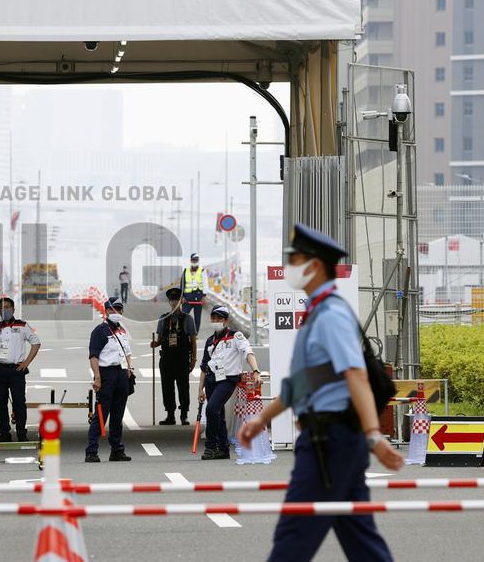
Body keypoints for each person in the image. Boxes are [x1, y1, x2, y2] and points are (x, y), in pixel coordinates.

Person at [238, 223, 403, 561]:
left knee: (293, 535)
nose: (288, 267)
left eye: (294, 259)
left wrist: (374, 435)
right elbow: (302, 382)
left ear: (314, 266)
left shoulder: (330, 315)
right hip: (334, 440)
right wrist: (261, 421)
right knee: (361, 540)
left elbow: (355, 373)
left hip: (330, 442)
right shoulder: (317, 314)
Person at [196, 305, 259, 459]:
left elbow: (248, 352)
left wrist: (256, 371)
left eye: (219, 318)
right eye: (213, 318)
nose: (216, 321)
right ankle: (223, 449)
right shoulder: (210, 341)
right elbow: (204, 367)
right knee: (219, 414)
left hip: (228, 380)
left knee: (211, 409)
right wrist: (200, 389)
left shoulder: (235, 336)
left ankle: (210, 446)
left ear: (226, 320)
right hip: (211, 379)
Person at [0, 297, 41, 442]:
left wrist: (26, 363)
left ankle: (21, 432)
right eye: (2, 308)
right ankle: (4, 433)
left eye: (8, 307)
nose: (5, 310)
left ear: (13, 309)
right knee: (1, 403)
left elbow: (36, 343)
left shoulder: (22, 325)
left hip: (16, 371)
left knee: (19, 402)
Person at [85, 297, 134, 463]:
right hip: (106, 374)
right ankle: (91, 451)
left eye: (119, 309)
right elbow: (93, 356)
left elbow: (128, 353)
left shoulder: (122, 331)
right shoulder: (100, 331)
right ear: (106, 311)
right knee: (101, 414)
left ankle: (117, 450)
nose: (116, 313)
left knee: (118, 416)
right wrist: (97, 377)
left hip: (121, 374)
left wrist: (130, 369)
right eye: (112, 310)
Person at [150, 287, 197, 425]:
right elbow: (159, 340)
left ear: (182, 301)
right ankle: (170, 414)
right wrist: (155, 343)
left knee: (183, 387)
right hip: (166, 359)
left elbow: (193, 341)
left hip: (182, 358)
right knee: (167, 387)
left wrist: (193, 359)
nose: (174, 302)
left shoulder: (188, 319)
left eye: (177, 300)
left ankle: (184, 414)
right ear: (169, 302)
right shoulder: (163, 319)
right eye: (172, 300)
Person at [180, 253, 206, 330]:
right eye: (194, 260)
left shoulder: (202, 271)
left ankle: (195, 334)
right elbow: (182, 284)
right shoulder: (185, 271)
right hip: (187, 298)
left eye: (196, 260)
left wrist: (204, 296)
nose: (195, 261)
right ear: (191, 260)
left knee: (197, 318)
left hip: (198, 297)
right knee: (183, 316)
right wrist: (182, 297)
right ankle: (183, 332)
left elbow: (205, 284)